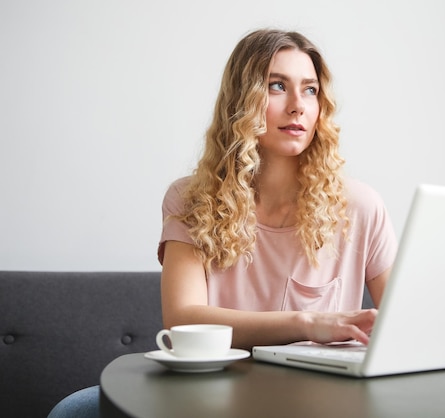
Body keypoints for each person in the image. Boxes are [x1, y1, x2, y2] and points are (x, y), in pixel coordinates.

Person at [48, 28, 396, 418]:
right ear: (242, 100)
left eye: (310, 90)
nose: (298, 105)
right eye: (277, 86)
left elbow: (405, 322)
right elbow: (183, 316)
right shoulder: (190, 198)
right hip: (211, 396)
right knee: (73, 411)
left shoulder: (361, 206)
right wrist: (310, 323)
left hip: (314, 401)